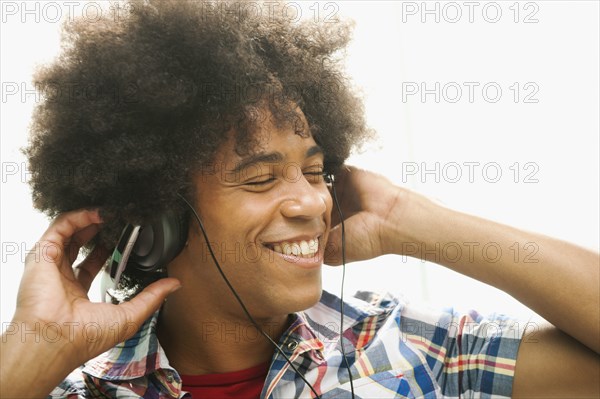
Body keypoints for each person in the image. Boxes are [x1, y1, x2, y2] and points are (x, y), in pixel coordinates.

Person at [1, 0, 598, 397]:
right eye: (261, 179)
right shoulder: (67, 388)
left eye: (316, 173)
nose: (312, 203)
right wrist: (36, 351)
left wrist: (410, 220)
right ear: (157, 215)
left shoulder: (408, 350)